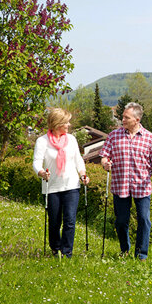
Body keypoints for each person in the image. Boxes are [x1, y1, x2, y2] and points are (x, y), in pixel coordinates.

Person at [100, 102, 152, 260]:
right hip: (120, 185)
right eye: (122, 117)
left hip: (142, 186)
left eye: (126, 117)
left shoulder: (149, 137)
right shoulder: (114, 135)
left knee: (144, 219)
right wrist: (105, 163)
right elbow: (104, 155)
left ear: (137, 119)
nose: (123, 120)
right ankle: (125, 249)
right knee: (121, 221)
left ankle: (141, 254)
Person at [32, 108, 88, 258]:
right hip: (52, 186)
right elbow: (36, 162)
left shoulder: (71, 140)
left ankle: (67, 251)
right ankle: (55, 249)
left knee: (70, 220)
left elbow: (78, 160)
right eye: (66, 122)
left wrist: (83, 174)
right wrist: (42, 172)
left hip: (71, 185)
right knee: (55, 221)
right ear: (57, 123)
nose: (69, 125)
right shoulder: (42, 141)